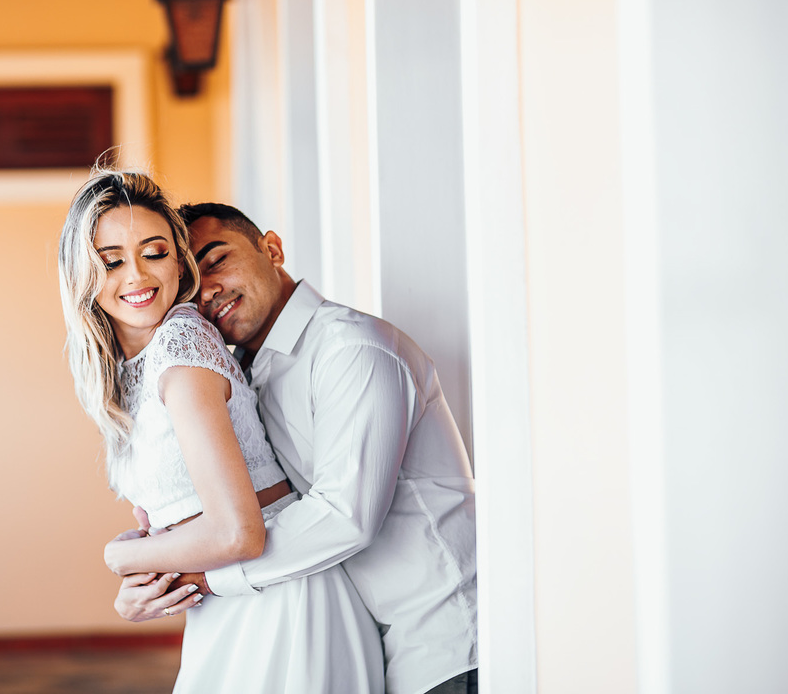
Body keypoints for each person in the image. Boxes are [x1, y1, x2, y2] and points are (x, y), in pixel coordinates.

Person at [114, 202, 478, 694]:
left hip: (442, 640)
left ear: (272, 248)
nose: (209, 292)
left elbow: (345, 516)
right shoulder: (238, 373)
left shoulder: (352, 348)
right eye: (191, 286)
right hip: (362, 638)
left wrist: (203, 577)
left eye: (217, 260)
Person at [58, 170, 384, 694]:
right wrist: (139, 586)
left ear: (177, 261)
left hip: (283, 604)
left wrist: (120, 558)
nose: (137, 276)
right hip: (226, 605)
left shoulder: (181, 346)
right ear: (81, 274)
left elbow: (237, 532)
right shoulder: (129, 368)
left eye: (155, 252)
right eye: (111, 260)